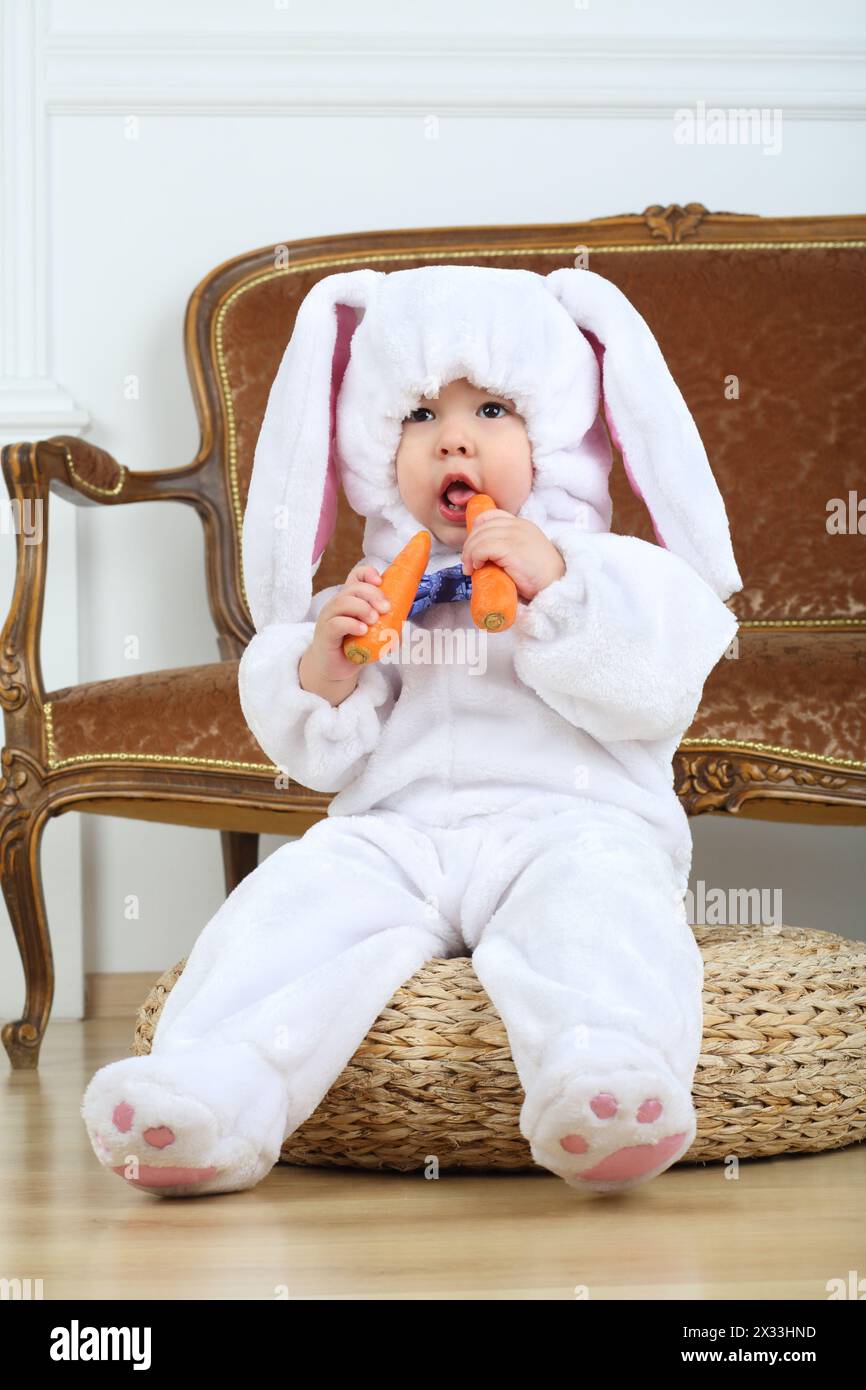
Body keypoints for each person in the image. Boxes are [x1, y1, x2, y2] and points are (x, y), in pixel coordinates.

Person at [80, 264, 741, 1197]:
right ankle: (209, 1092)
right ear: (373, 449)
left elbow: (659, 684)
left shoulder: (607, 569)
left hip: (569, 822)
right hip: (401, 832)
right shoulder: (380, 589)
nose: (454, 440)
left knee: (600, 916)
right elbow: (318, 755)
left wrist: (558, 584)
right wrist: (328, 666)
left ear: (561, 433)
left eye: (495, 411)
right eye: (420, 417)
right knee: (290, 904)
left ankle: (606, 1079)